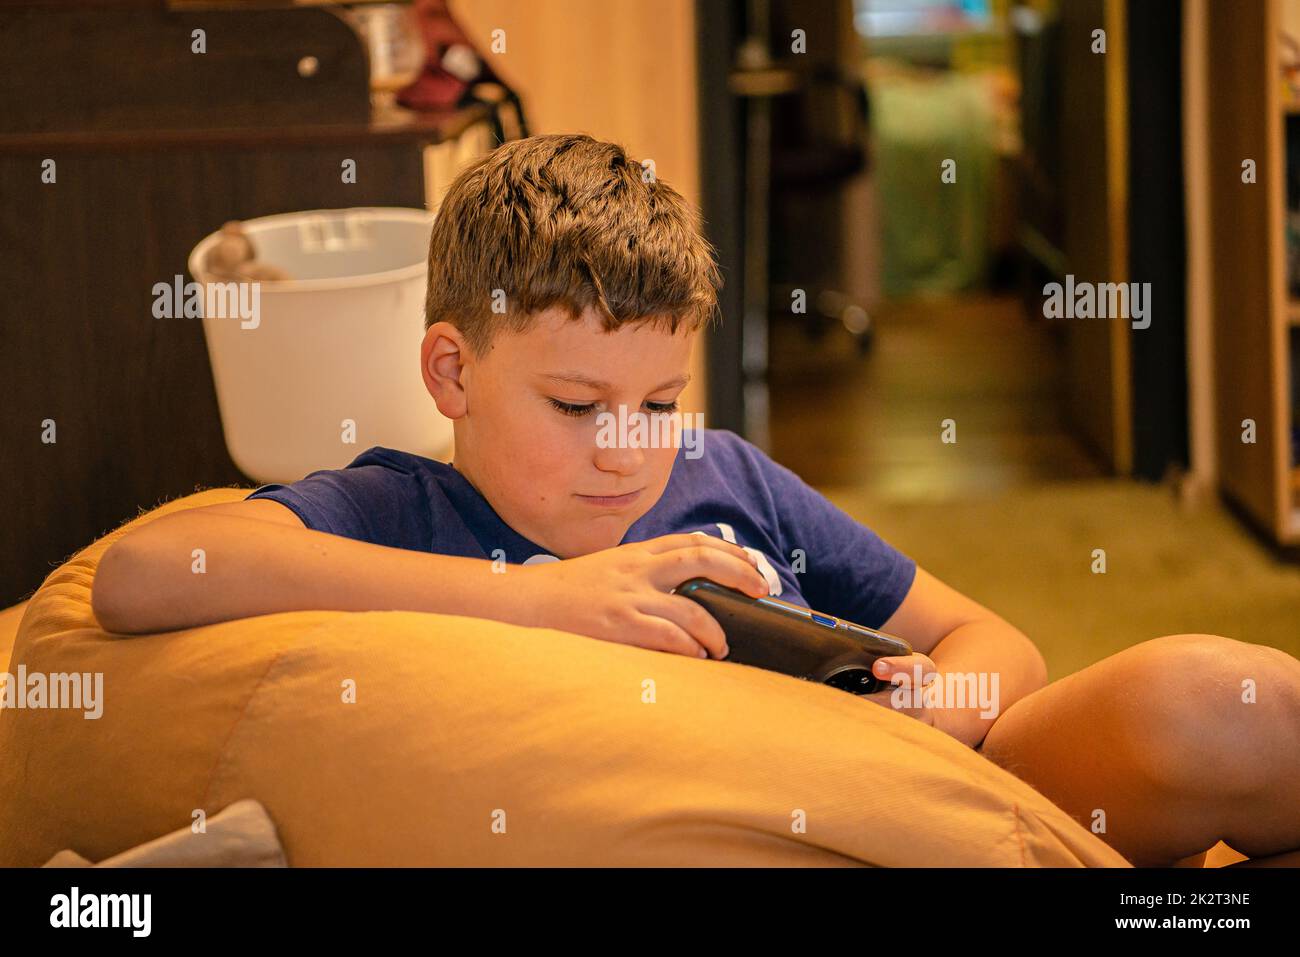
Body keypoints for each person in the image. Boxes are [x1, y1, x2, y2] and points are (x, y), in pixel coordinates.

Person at [93, 134, 1300, 868]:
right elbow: (145, 574)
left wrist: (941, 711)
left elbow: (993, 640)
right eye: (576, 406)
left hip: (929, 794)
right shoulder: (396, 510)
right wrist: (546, 600)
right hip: (726, 833)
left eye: (658, 399)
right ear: (452, 373)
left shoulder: (726, 479)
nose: (629, 452)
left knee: (1208, 699)